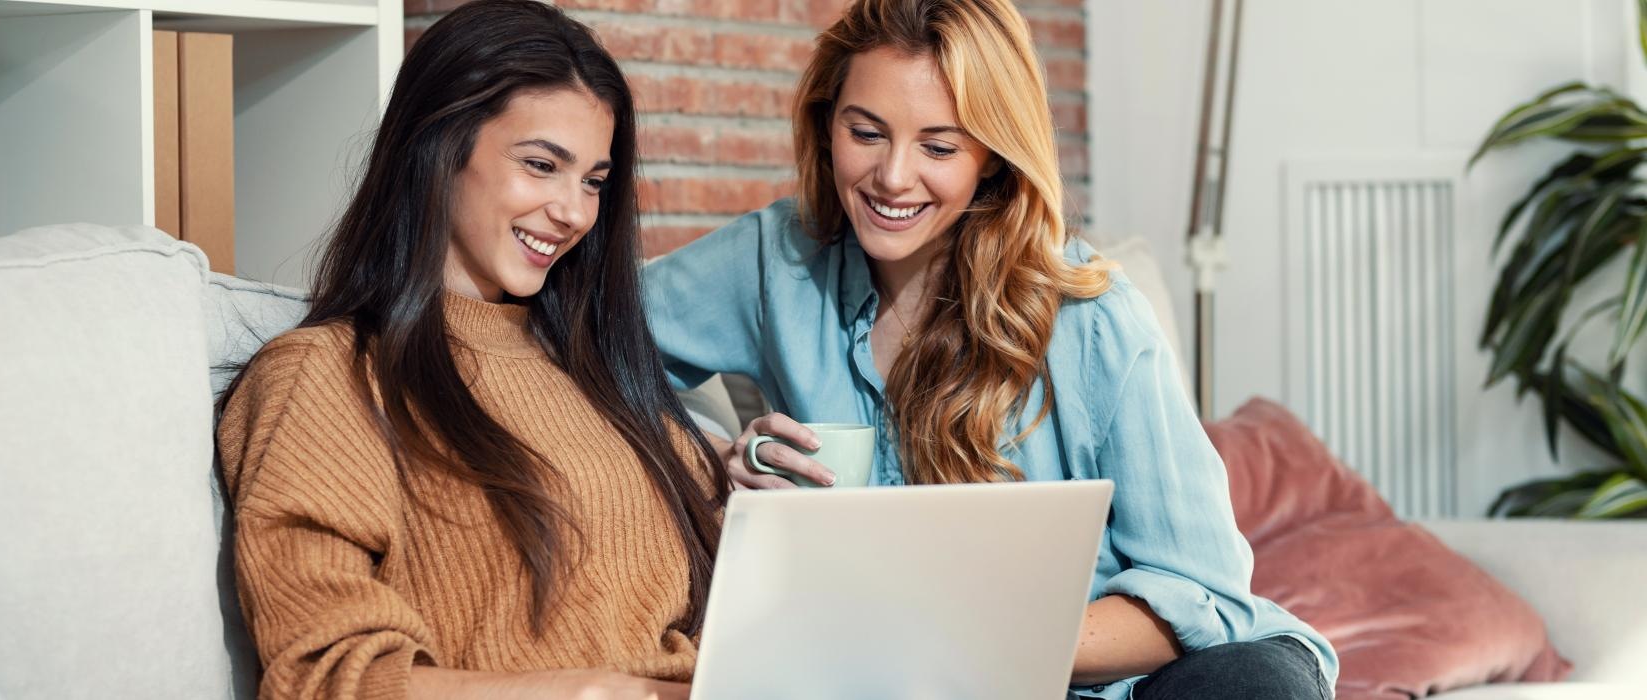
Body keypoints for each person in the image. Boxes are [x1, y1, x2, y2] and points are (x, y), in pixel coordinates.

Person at [642, 0, 1338, 697]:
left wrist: (972, 641)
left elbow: (1202, 595)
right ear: (828, 126)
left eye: (939, 147)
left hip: (1124, 678)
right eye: (866, 132)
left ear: (993, 159)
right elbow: (600, 337)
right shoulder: (777, 262)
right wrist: (710, 461)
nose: (891, 176)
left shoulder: (1093, 316)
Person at [216, 1, 726, 697]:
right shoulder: (327, 377)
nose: (575, 212)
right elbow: (325, 675)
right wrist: (595, 694)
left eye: (594, 182)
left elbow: (725, 610)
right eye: (542, 165)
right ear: (440, 148)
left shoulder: (601, 375)